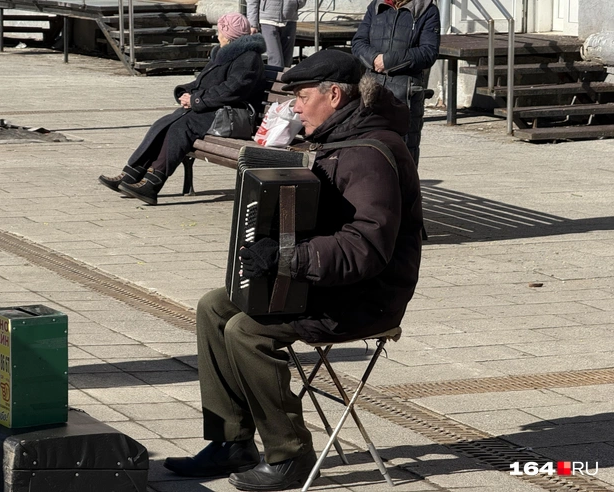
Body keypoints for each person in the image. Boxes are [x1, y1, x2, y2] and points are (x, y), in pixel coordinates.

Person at [162, 49, 423, 491]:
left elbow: (366, 249)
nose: (295, 107)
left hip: (364, 297)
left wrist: (287, 258)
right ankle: (232, 442)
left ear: (334, 95)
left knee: (246, 331)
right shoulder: (335, 139)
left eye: (301, 97)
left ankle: (289, 453)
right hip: (325, 284)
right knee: (214, 306)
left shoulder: (370, 153)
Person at [98, 13, 266, 205]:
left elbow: (233, 90)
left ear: (228, 35)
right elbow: (205, 82)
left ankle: (152, 184)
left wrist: (196, 100)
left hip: (234, 116)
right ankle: (131, 174)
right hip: (215, 109)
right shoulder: (225, 52)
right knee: (165, 123)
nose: (217, 35)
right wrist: (186, 93)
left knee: (181, 127)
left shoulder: (247, 57)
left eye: (220, 31)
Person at [351, 0, 440, 167]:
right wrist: (374, 59)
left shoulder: (426, 10)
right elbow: (358, 42)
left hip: (405, 93)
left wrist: (388, 61)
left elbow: (428, 52)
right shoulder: (376, 6)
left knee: (404, 153)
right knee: (368, 148)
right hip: (371, 90)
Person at [246, 0, 306, 68]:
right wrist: (252, 24)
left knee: (287, 61)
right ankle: (275, 78)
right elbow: (252, 1)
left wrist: (297, 3)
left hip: (290, 19)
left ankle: (283, 78)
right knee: (276, 62)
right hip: (268, 20)